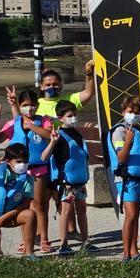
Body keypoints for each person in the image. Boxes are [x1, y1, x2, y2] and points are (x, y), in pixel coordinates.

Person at [1, 87, 54, 253]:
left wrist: (31, 126)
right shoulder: (15, 122)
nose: (29, 108)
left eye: (32, 105)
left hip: (39, 170)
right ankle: (27, 240)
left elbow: (48, 134)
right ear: (20, 105)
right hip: (20, 170)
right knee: (22, 206)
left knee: (39, 205)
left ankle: (44, 238)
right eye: (25, 105)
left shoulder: (43, 120)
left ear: (37, 105)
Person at [108, 86, 140, 262]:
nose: (133, 115)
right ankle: (126, 254)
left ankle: (134, 252)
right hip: (127, 179)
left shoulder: (138, 130)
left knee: (135, 215)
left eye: (136, 112)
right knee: (131, 216)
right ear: (123, 111)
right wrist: (128, 141)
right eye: (130, 111)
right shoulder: (120, 132)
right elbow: (121, 157)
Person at [43, 101, 96, 255]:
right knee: (65, 211)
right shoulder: (58, 136)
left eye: (74, 115)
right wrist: (52, 142)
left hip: (80, 181)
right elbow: (44, 156)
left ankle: (85, 242)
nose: (73, 118)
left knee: (82, 210)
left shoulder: (77, 133)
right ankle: (64, 245)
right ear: (60, 118)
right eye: (69, 116)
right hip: (66, 182)